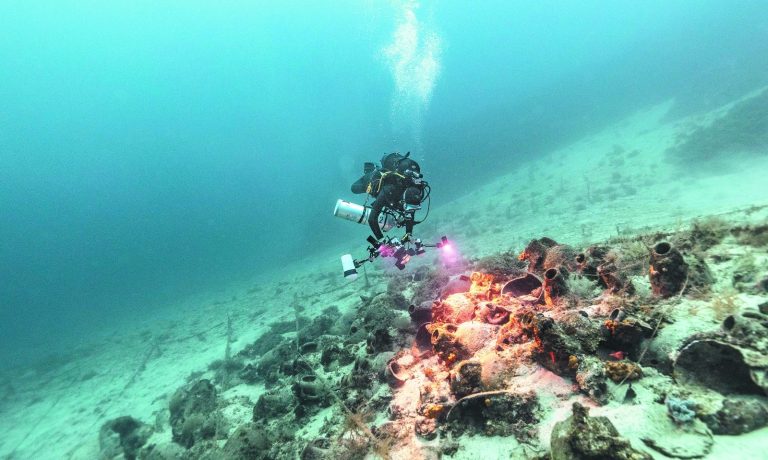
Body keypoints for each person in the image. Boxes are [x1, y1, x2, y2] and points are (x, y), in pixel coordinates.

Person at [351, 152, 425, 241]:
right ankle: (374, 170)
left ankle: (377, 169)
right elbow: (372, 219)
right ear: (404, 199)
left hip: (394, 185)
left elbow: (410, 213)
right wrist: (382, 240)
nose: (409, 210)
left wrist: (408, 234)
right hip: (371, 179)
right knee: (354, 188)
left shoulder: (413, 189)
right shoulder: (390, 190)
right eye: (408, 207)